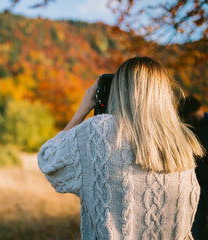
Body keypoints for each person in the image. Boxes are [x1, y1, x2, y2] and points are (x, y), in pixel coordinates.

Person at [38, 56, 204, 239]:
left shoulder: (98, 131)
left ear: (119, 90)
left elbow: (48, 159)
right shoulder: (181, 143)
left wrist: (83, 108)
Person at [179, 96, 208, 240]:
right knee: (196, 226)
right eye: (189, 119)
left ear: (200, 109)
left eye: (194, 117)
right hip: (195, 186)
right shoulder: (187, 128)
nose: (192, 121)